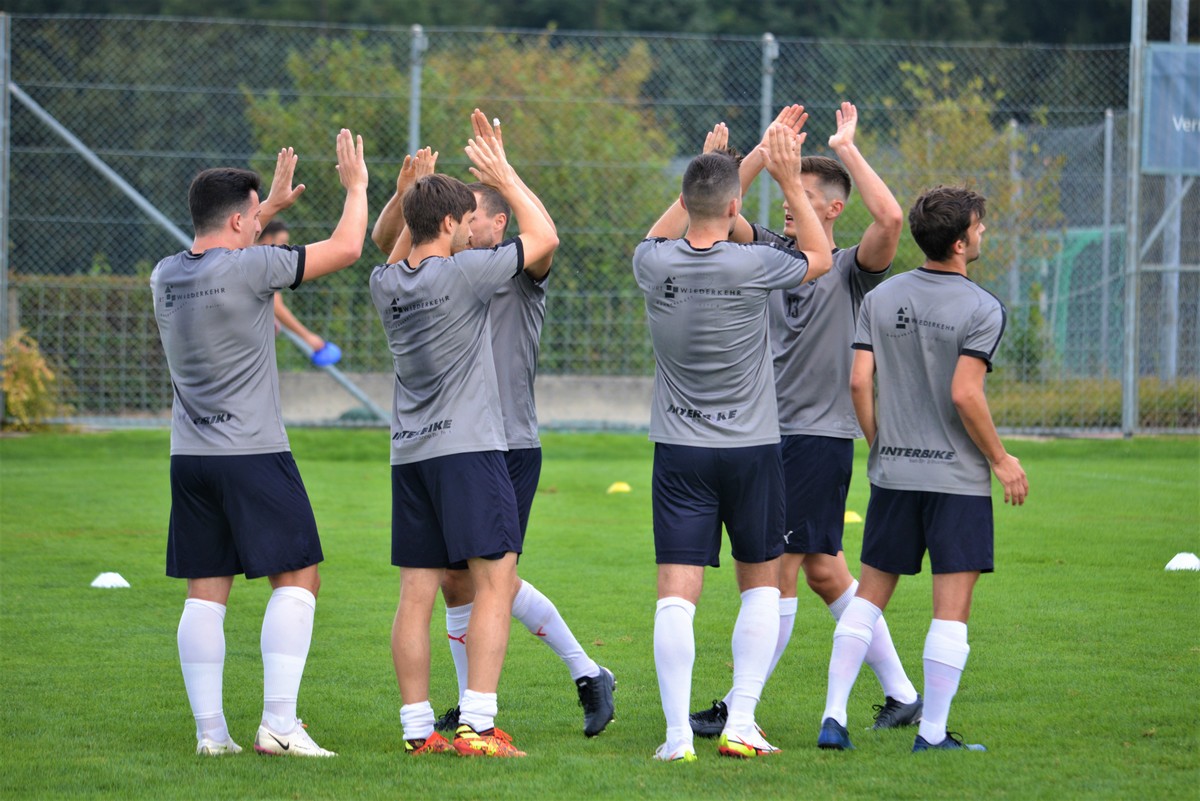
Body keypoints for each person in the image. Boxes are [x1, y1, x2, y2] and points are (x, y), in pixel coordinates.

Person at [369, 116, 615, 742]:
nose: (468, 225)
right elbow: (391, 240)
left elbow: (543, 239)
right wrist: (414, 196)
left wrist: (501, 178)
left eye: (479, 214)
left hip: (504, 443)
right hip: (467, 446)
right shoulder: (461, 270)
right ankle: (477, 713)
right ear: (452, 223)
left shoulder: (511, 270)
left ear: (497, 222)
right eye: (461, 216)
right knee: (467, 583)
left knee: (484, 582)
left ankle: (580, 673)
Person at [689, 103, 922, 737]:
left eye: (805, 194)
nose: (790, 204)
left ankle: (739, 706)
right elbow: (712, 213)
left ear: (833, 209)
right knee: (824, 569)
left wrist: (845, 148)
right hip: (766, 435)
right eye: (790, 190)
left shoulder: (849, 269)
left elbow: (890, 219)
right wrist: (750, 158)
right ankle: (903, 693)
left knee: (779, 571)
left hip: (815, 439)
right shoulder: (770, 252)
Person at [150, 131, 369, 757]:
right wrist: (355, 186)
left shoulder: (165, 275)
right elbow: (348, 247)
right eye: (254, 218)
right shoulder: (252, 267)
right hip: (252, 453)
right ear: (241, 222)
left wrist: (264, 204)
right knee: (298, 577)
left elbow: (222, 240)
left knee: (205, 592)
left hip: (190, 459)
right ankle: (279, 724)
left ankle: (211, 734)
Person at [634, 123, 832, 762]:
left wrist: (718, 163)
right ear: (736, 207)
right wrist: (784, 175)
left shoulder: (652, 262)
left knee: (676, 591)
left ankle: (676, 738)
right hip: (751, 449)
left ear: (685, 200)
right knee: (761, 586)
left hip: (680, 450)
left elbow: (669, 224)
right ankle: (741, 722)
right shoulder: (755, 264)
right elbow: (821, 256)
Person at [816, 185, 1029, 753]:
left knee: (867, 599)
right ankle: (932, 734)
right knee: (950, 611)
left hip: (893, 476)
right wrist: (1001, 459)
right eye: (979, 226)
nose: (982, 233)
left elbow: (859, 382)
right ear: (959, 243)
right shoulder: (983, 307)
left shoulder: (881, 296)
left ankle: (833, 717)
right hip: (956, 482)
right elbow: (966, 393)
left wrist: (882, 445)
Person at [257, 220, 342, 367]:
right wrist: (307, 337)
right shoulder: (263, 264)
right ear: (268, 239)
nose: (286, 246)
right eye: (282, 241)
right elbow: (277, 307)